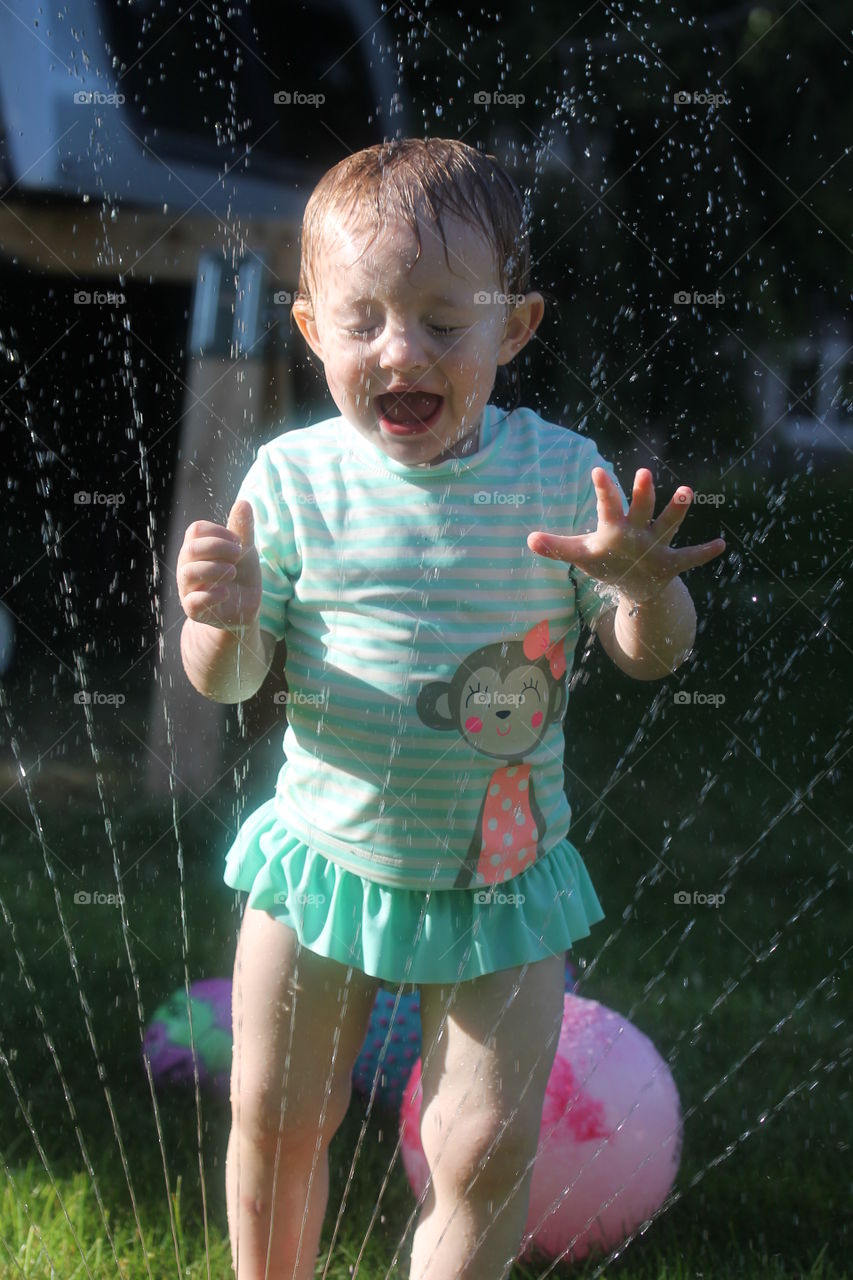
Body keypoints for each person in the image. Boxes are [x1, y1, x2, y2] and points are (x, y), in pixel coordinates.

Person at [177, 137, 725, 1280]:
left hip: (501, 874)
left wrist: (643, 589)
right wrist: (221, 619)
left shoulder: (558, 475)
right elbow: (227, 683)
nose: (400, 350)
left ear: (512, 328)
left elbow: (649, 657)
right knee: (276, 1116)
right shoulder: (290, 482)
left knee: (482, 1143)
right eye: (365, 319)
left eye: (441, 321)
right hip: (323, 858)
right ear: (312, 328)